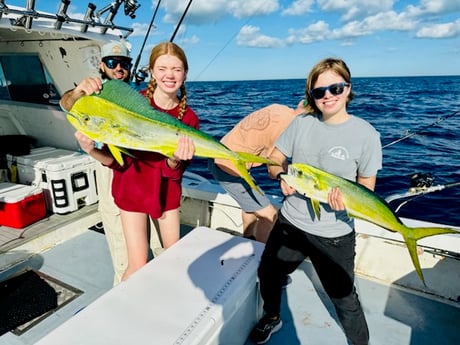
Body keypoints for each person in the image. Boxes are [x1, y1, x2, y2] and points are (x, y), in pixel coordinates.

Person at [249, 58, 382, 345]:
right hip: (291, 223)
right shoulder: (301, 123)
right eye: (319, 92)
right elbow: (274, 160)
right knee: (268, 273)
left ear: (348, 88)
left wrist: (345, 203)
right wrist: (282, 175)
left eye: (335, 88)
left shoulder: (367, 135)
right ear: (312, 96)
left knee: (345, 300)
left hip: (334, 235)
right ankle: (272, 317)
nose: (328, 96)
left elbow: (366, 189)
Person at [64, 41, 199, 282]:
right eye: (162, 68)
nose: (169, 75)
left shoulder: (188, 118)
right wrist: (90, 149)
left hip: (164, 194)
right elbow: (69, 107)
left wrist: (174, 161)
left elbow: (174, 173)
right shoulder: (129, 102)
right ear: (152, 72)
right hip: (131, 192)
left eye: (177, 69)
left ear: (185, 73)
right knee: (135, 264)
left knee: (174, 257)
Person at [61, 40, 134, 285]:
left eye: (124, 63)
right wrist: (79, 90)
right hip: (109, 170)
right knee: (122, 250)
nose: (119, 68)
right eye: (113, 63)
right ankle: (123, 295)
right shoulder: (91, 93)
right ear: (102, 65)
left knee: (146, 244)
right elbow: (67, 104)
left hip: (139, 171)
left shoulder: (138, 94)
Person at [208, 101, 306, 243]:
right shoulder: (288, 128)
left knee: (250, 207)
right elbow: (273, 165)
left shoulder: (279, 108)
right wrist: (285, 179)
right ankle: (260, 254)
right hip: (228, 167)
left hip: (218, 155)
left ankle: (247, 239)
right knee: (270, 216)